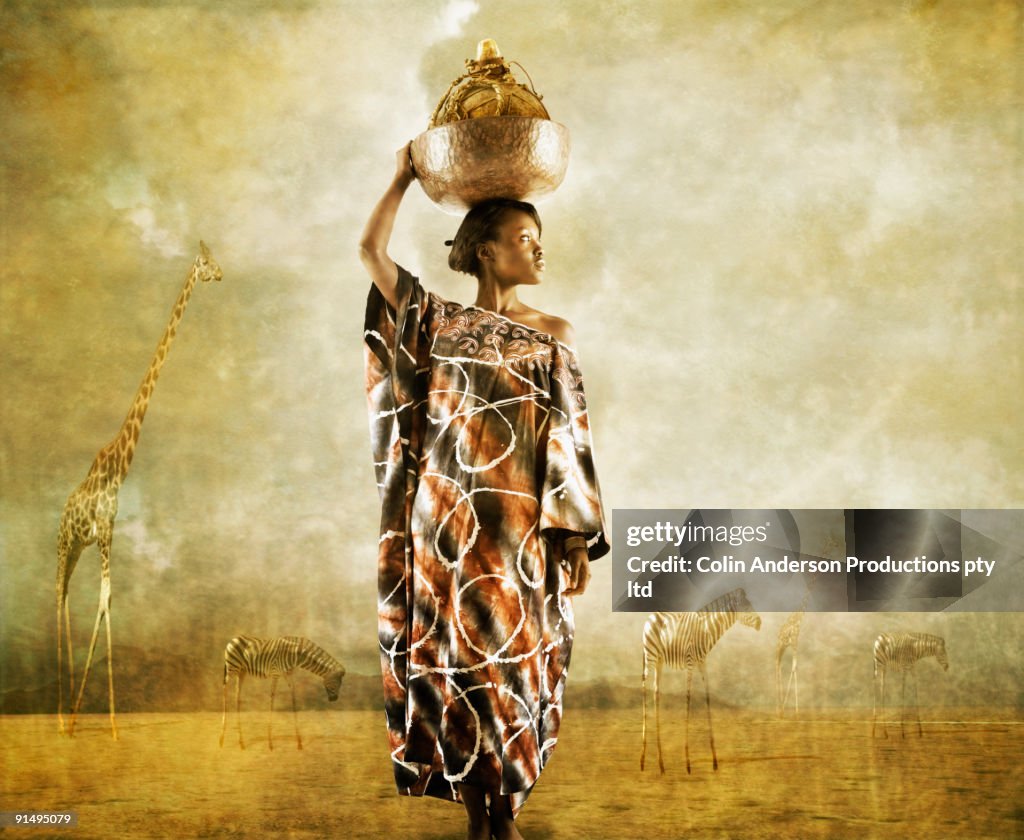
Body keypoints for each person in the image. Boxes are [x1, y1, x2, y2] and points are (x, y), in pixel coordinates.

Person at [359, 143, 608, 840]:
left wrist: (573, 534)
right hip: (444, 528)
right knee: (459, 668)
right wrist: (403, 173)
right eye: (524, 239)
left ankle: (508, 811)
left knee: (518, 667)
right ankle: (480, 818)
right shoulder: (438, 325)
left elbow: (568, 435)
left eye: (540, 240)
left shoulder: (553, 336)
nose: (538, 251)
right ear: (488, 252)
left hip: (519, 530)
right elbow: (369, 250)